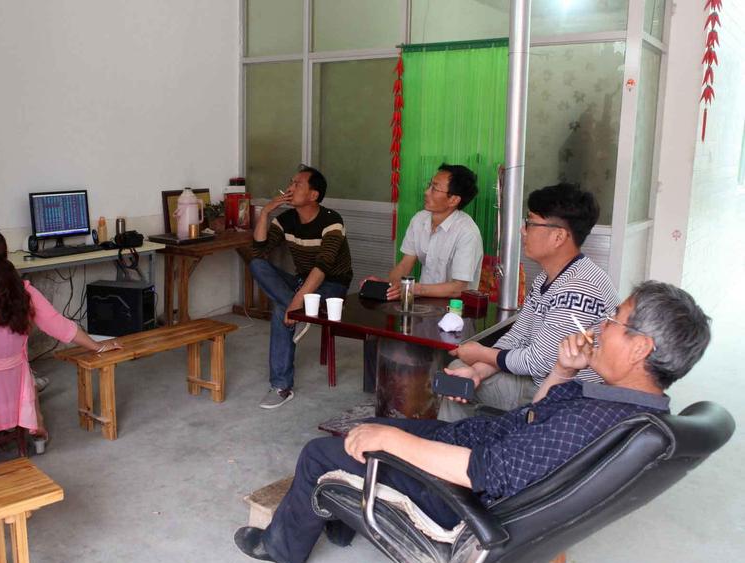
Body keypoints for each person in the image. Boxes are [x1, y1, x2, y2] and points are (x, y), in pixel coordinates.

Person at [234, 281, 711, 563]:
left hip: (456, 495)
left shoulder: (594, 419)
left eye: (615, 320)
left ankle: (282, 548)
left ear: (640, 348)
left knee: (324, 453)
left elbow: (486, 472)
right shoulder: (623, 407)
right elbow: (534, 417)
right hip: (477, 445)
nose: (602, 325)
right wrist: (563, 371)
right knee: (371, 427)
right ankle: (341, 515)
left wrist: (394, 440)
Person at [438, 183, 618, 421]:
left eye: (530, 223)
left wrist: (482, 353)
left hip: (567, 397)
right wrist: (477, 371)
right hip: (537, 381)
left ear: (558, 236)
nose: (523, 231)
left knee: (465, 370)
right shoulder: (547, 277)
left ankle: (456, 441)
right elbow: (518, 336)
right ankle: (452, 440)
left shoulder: (580, 287)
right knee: (460, 375)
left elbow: (539, 361)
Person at [0, 227, 121, 457]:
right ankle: (37, 425)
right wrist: (98, 346)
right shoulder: (22, 293)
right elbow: (59, 325)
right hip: (9, 390)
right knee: (25, 373)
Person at [361, 163, 483, 391]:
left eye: (435, 188)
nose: (427, 192)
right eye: (430, 185)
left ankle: (420, 391)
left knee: (423, 357)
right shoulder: (420, 220)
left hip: (455, 311)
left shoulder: (467, 232)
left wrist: (412, 289)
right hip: (422, 305)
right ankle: (378, 393)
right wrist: (388, 285)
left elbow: (458, 288)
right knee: (375, 331)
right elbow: (405, 264)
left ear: (453, 200)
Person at [249, 165, 353, 409]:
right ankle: (297, 310)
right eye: (291, 182)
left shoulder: (332, 220)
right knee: (256, 265)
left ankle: (281, 386)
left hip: (331, 287)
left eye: (297, 184)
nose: (290, 188)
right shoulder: (286, 220)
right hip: (301, 283)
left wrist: (294, 303)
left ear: (313, 195)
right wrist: (265, 212)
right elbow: (259, 250)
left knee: (281, 309)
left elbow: (322, 267)